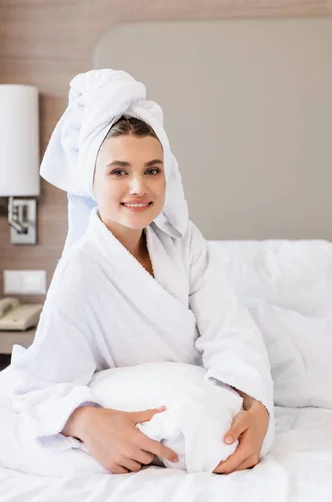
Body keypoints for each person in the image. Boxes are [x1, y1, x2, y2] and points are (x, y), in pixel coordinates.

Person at [9, 69, 274, 475]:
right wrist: (82, 419)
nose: (139, 187)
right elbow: (40, 381)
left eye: (152, 170)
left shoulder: (184, 243)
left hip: (210, 376)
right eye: (119, 172)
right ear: (92, 180)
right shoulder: (83, 269)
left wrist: (257, 407)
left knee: (298, 346)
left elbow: (229, 331)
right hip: (172, 394)